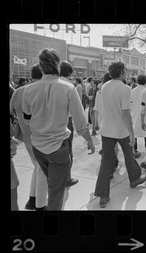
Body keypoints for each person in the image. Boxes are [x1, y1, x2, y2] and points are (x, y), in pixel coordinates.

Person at [22, 48, 95, 210]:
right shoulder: (68, 88)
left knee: (49, 181)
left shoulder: (28, 89)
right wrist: (90, 142)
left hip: (38, 147)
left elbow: (27, 119)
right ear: (58, 65)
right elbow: (81, 123)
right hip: (59, 147)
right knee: (56, 191)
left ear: (40, 66)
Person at [94, 60, 146, 208]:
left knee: (106, 161)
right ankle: (135, 178)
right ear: (122, 71)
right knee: (128, 154)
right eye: (126, 70)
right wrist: (131, 132)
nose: (127, 72)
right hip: (121, 129)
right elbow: (125, 113)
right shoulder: (125, 88)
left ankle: (103, 195)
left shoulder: (104, 86)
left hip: (107, 129)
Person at [10, 64, 48, 210]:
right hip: (42, 135)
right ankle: (39, 203)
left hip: (26, 135)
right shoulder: (42, 89)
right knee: (42, 168)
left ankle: (33, 200)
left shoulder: (18, 91)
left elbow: (11, 109)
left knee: (38, 166)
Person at [59, 61, 79, 187]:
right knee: (68, 150)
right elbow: (76, 110)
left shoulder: (49, 84)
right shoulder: (69, 86)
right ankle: (67, 177)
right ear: (70, 73)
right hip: (66, 121)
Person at [130, 74, 146, 159]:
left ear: (137, 81)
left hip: (134, 113)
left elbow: (130, 103)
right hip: (145, 113)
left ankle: (135, 149)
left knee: (134, 131)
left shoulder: (133, 90)